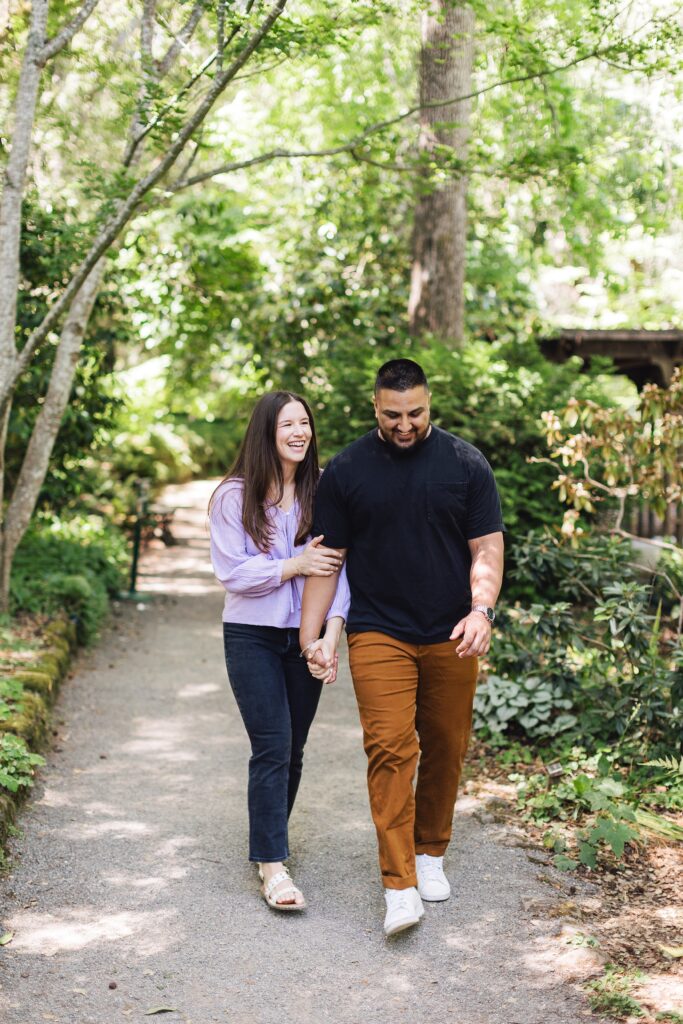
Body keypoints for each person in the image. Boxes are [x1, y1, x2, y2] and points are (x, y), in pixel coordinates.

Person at [300, 358, 504, 937]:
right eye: (393, 415)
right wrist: (312, 637)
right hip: (379, 630)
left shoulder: (465, 463)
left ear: (429, 404)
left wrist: (481, 610)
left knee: (445, 743)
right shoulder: (346, 470)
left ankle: (431, 851)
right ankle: (399, 885)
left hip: (451, 632)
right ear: (375, 408)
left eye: (416, 412)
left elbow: (486, 545)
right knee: (390, 748)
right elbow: (327, 558)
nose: (406, 424)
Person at [209, 390, 348, 912]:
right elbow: (233, 572)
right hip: (252, 636)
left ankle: (270, 844)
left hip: (308, 639)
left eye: (306, 422)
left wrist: (331, 637)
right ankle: (272, 866)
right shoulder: (233, 497)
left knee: (293, 750)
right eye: (288, 423)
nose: (299, 431)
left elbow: (341, 572)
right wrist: (293, 564)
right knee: (272, 744)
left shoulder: (323, 492)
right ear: (266, 432)